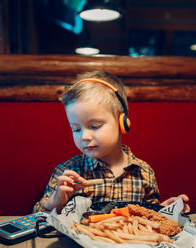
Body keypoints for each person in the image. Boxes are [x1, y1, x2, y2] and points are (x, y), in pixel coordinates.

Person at [33, 71, 190, 214]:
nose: (84, 136)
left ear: (122, 122)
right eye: (76, 129)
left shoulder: (144, 173)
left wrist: (166, 210)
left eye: (95, 126)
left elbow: (148, 215)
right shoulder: (67, 172)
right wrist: (54, 202)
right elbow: (36, 217)